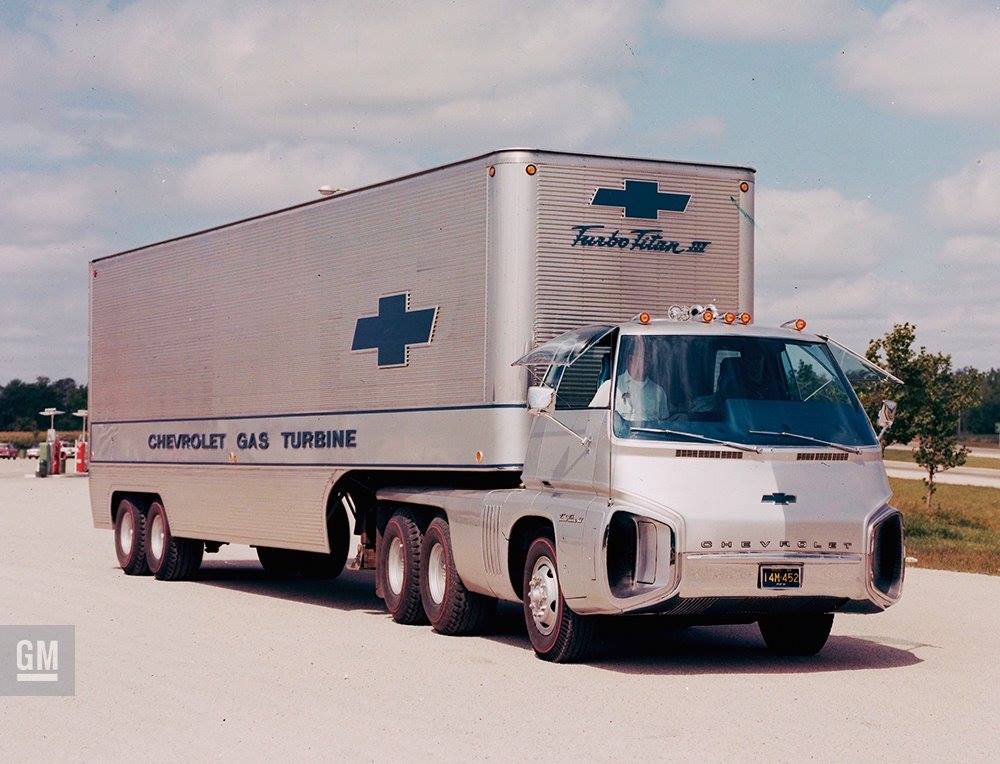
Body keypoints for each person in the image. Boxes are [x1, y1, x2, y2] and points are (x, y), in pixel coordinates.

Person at [610, 339, 670, 422]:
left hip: (649, 435)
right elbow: (595, 419)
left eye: (650, 357)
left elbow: (664, 424)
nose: (647, 361)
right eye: (643, 357)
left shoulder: (658, 392)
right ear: (630, 359)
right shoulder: (611, 387)